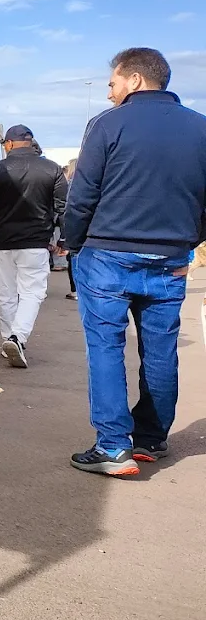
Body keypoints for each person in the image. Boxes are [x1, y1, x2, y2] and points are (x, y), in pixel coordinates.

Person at [63, 48, 206, 477]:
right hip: (169, 257)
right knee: (160, 349)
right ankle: (150, 437)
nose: (110, 92)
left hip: (107, 253)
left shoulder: (107, 124)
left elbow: (82, 195)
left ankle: (113, 446)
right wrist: (189, 243)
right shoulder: (200, 127)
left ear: (135, 80)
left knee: (106, 347)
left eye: (113, 83)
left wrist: (74, 245)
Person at [0, 124, 67, 368]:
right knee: (32, 292)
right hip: (36, 241)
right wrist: (65, 239)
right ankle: (17, 337)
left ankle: (8, 339)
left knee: (6, 292)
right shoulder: (52, 169)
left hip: (2, 241)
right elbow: (64, 208)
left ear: (9, 144)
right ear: (31, 142)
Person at [61, 159, 78, 300]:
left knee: (73, 258)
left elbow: (69, 210)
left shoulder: (72, 184)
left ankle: (75, 290)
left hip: (76, 227)